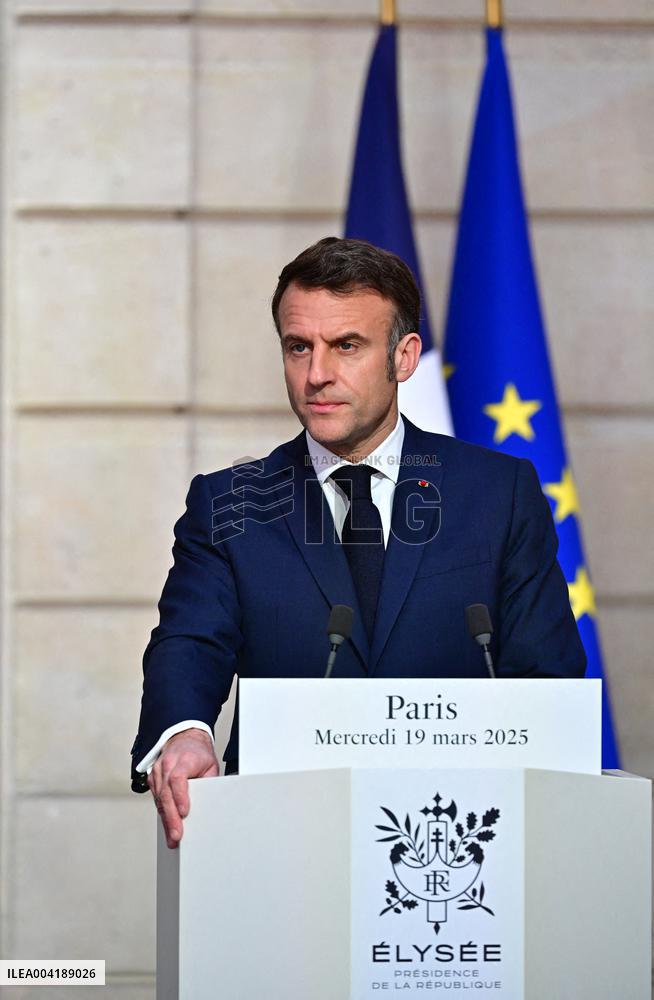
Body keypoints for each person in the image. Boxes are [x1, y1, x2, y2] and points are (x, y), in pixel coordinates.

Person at [131, 236, 585, 848]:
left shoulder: (498, 492)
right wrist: (185, 731)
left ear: (404, 357)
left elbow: (545, 678)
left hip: (466, 845)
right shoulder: (229, 502)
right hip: (281, 843)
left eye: (347, 345)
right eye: (299, 347)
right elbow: (190, 640)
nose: (317, 374)